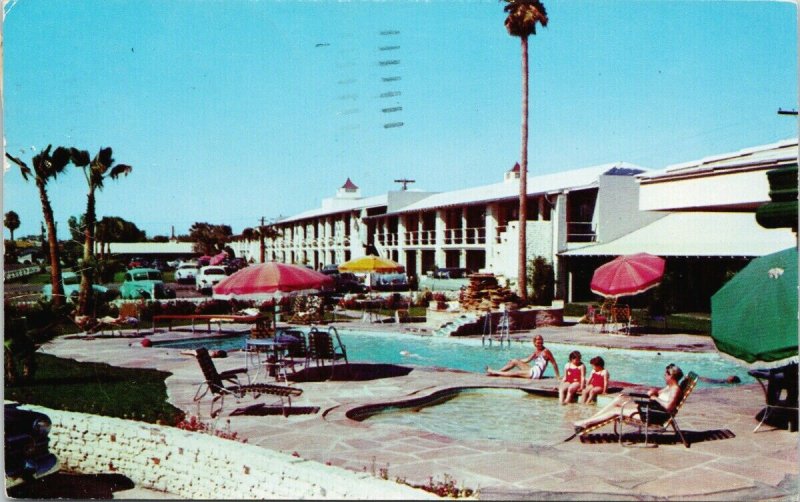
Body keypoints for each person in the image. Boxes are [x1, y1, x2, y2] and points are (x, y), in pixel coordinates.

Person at [573, 363, 684, 432]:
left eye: (665, 374)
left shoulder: (675, 389)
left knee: (616, 410)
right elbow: (657, 393)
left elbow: (669, 407)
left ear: (671, 376)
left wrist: (655, 398)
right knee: (620, 398)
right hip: (649, 409)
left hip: (653, 415)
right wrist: (654, 392)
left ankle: (587, 422)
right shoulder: (669, 387)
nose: (664, 376)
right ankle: (590, 420)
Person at [486, 335, 560, 380]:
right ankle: (499, 371)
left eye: (541, 342)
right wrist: (515, 361)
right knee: (515, 361)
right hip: (533, 370)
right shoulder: (536, 351)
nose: (539, 344)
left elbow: (554, 363)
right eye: (538, 343)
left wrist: (557, 376)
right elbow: (527, 360)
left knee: (514, 373)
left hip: (536, 374)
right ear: (534, 343)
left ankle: (493, 372)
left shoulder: (546, 351)